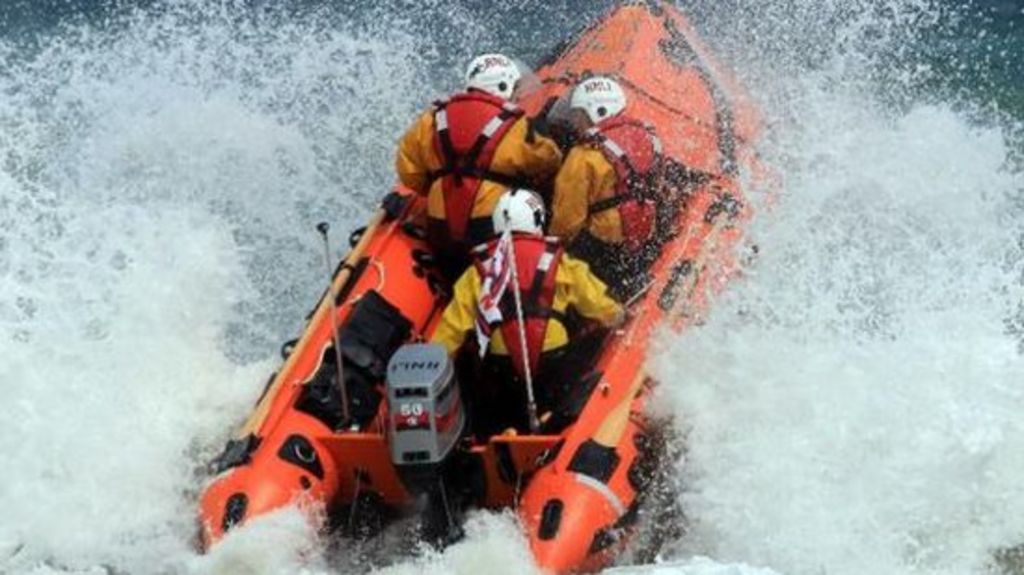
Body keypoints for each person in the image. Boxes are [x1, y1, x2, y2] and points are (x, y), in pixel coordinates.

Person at [431, 189, 624, 435]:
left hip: (504, 368)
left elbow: (452, 330)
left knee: (486, 388)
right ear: (537, 220)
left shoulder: (479, 271)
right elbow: (596, 304)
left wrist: (433, 362)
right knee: (583, 359)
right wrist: (618, 314)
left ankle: (504, 432)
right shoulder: (560, 261)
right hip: (554, 360)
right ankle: (556, 420)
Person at [395, 53, 563, 278]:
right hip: (489, 228)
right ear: (503, 86)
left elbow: (409, 171)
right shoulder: (516, 126)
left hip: (440, 229)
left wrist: (438, 186)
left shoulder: (433, 118)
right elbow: (548, 160)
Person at [549, 76, 666, 299]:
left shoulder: (583, 157)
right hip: (642, 235)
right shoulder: (650, 140)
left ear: (596, 112)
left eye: (579, 115)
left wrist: (551, 248)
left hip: (602, 246)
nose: (575, 122)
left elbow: (566, 222)